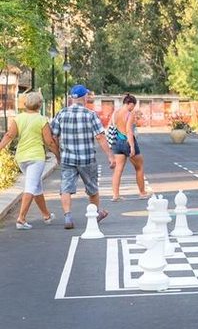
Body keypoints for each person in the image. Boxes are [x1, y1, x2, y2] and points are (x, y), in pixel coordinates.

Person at [51, 84, 115, 229]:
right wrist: (110, 156)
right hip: (87, 159)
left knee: (66, 188)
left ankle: (68, 217)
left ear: (71, 98)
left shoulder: (61, 114)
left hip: (68, 158)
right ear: (84, 97)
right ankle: (95, 215)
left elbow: (53, 136)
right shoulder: (90, 114)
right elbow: (100, 136)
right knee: (92, 188)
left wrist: (58, 154)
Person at [0, 92, 60, 229]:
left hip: (21, 158)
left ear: (26, 104)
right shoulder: (41, 120)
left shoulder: (18, 118)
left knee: (36, 186)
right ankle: (21, 219)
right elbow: (49, 142)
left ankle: (46, 215)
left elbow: (9, 135)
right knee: (31, 186)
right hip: (36, 158)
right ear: (39, 105)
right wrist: (58, 155)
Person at [111, 93, 148, 201]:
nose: (133, 108)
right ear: (129, 103)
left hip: (117, 142)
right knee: (139, 167)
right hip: (127, 141)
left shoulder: (115, 113)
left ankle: (116, 195)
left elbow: (111, 127)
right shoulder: (129, 114)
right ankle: (142, 193)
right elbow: (129, 131)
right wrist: (132, 146)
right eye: (133, 105)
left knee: (118, 169)